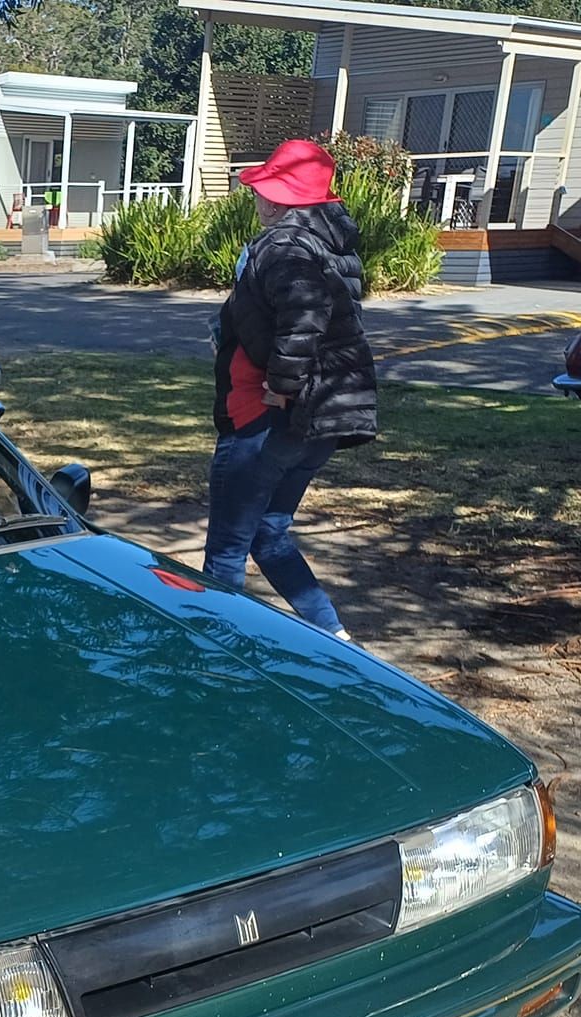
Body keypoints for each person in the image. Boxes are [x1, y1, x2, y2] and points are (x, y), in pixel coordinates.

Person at [205, 138, 377, 642]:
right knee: (268, 532)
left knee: (227, 550)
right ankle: (334, 635)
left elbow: (305, 317)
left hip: (264, 417)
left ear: (282, 197)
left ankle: (218, 649)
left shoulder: (283, 244)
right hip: (319, 420)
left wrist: (282, 386)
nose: (257, 197)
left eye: (264, 188)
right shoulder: (328, 244)